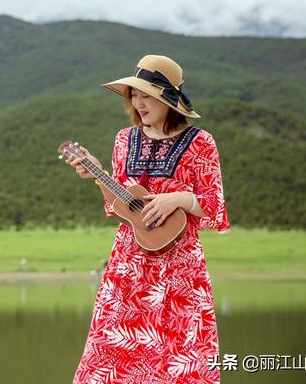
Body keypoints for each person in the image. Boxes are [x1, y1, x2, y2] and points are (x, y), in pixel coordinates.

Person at [68, 55, 230, 383]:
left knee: (180, 359)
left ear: (168, 99)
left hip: (181, 270)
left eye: (147, 95)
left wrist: (179, 199)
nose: (139, 103)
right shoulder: (124, 140)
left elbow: (216, 210)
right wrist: (99, 176)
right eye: (135, 95)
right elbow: (121, 209)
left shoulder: (201, 143)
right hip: (128, 269)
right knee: (112, 359)